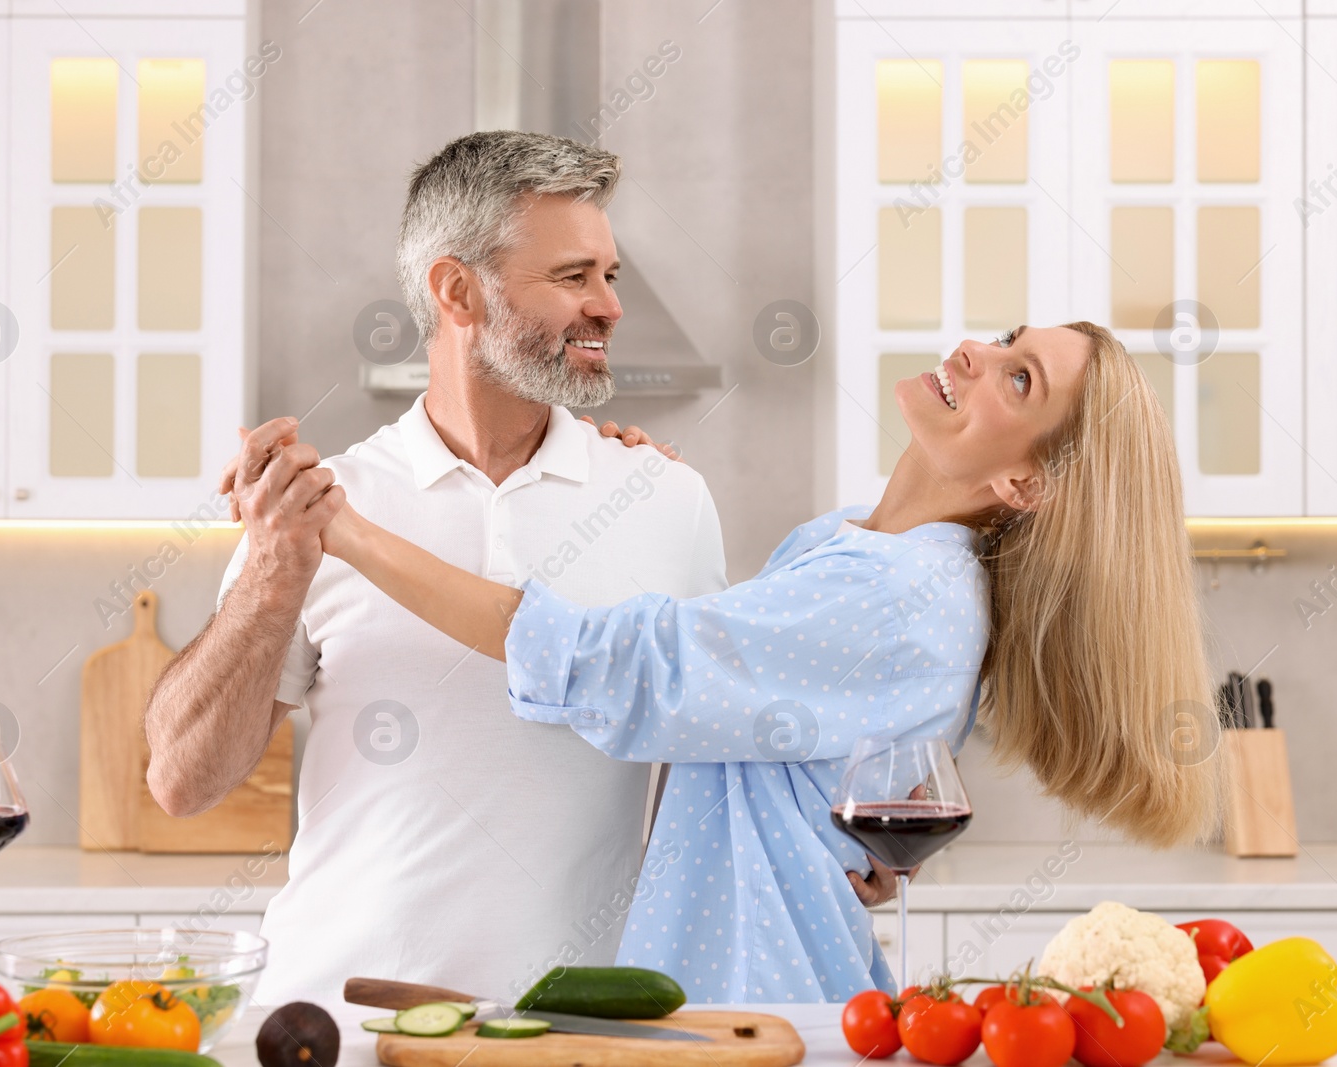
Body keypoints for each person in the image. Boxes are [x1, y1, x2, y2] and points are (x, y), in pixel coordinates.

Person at [142, 130, 896, 1006]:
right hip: (346, 1012)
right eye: (574, 277)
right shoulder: (327, 506)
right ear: (458, 290)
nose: (609, 306)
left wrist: (833, 842)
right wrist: (274, 573)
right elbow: (181, 780)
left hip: (584, 1023)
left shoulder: (663, 497)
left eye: (611, 276)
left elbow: (723, 747)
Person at [297, 321, 1222, 1002]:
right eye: (1007, 338)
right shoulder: (855, 543)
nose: (976, 352)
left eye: (1018, 380)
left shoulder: (898, 596)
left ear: (1024, 483)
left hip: (762, 1001)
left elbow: (628, 669)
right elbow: (739, 696)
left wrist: (348, 533)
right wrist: (638, 487)